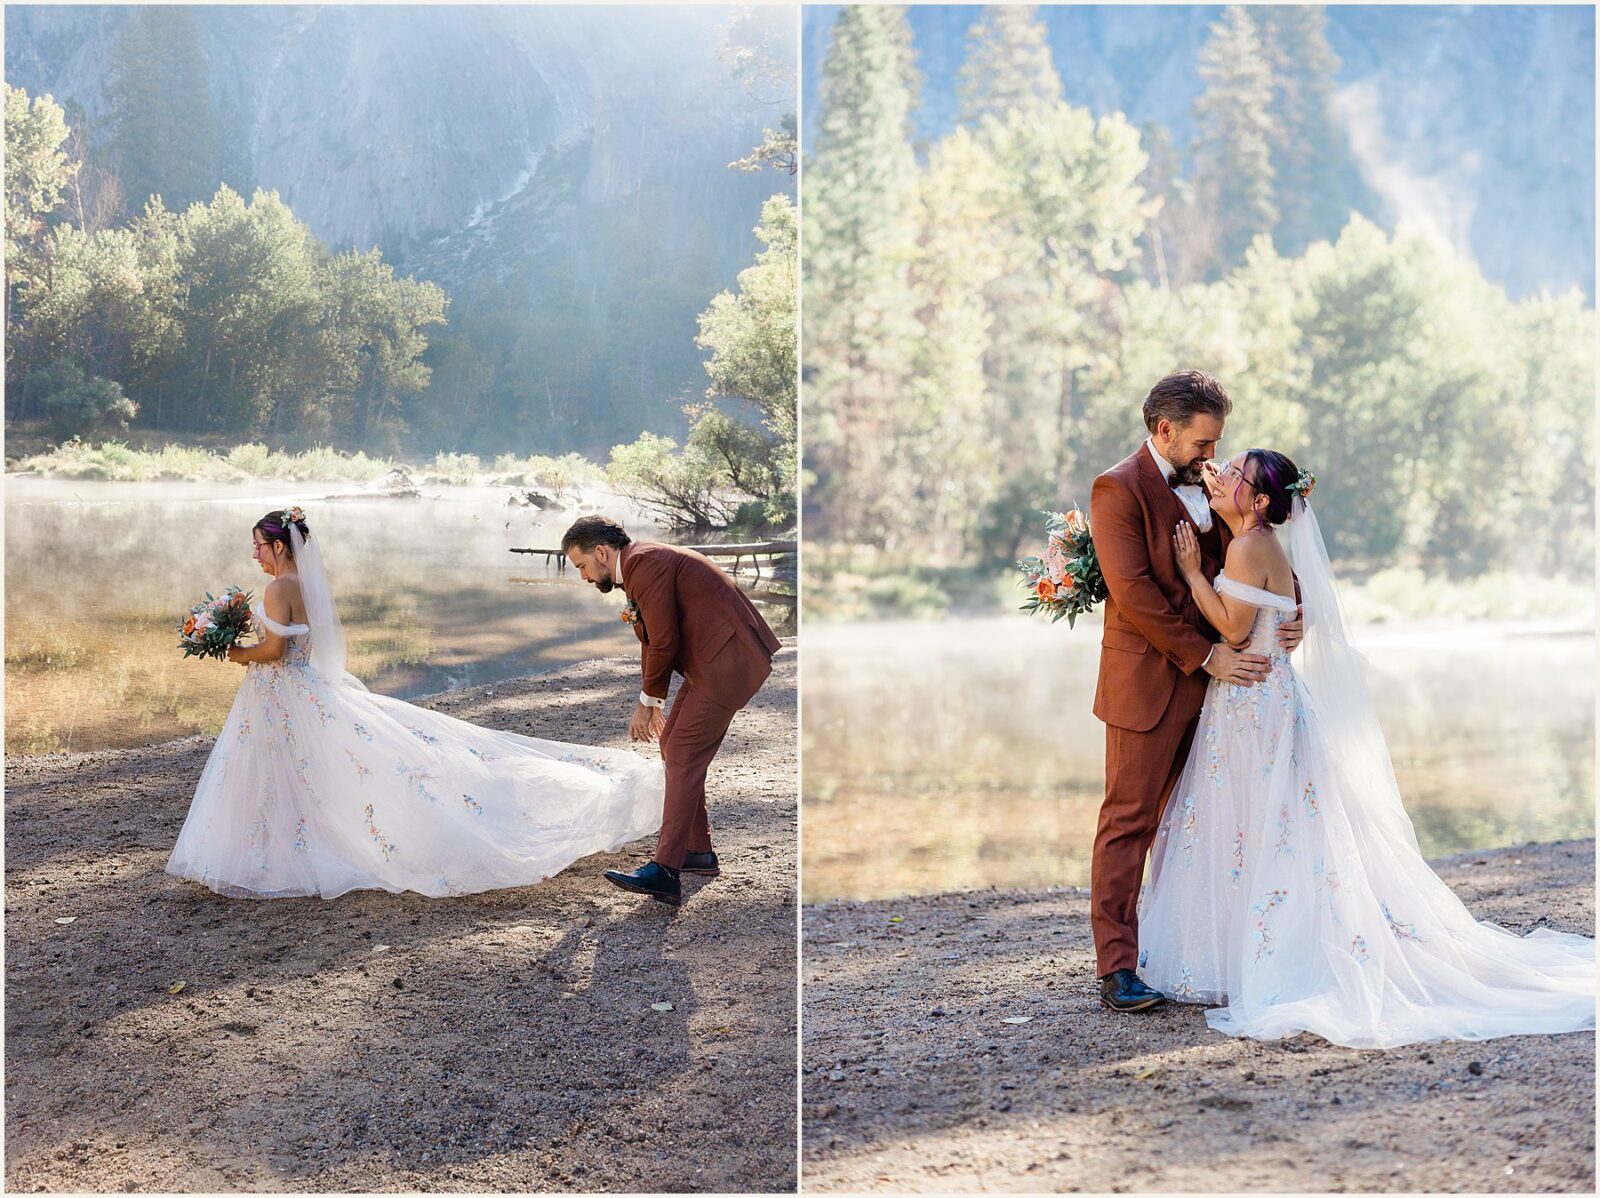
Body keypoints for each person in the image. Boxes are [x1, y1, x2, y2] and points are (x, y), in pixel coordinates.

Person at [1135, 448, 1595, 1046]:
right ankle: (1245, 947)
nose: (1219, 476)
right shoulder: (1251, 542)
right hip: (1253, 703)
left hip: (1255, 708)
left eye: (1235, 474)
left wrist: (1194, 573)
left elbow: (1231, 627)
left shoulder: (1250, 546)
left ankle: (1263, 952)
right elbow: (1272, 608)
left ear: (1262, 500)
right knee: (1265, 826)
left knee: (1262, 825)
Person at [166, 507, 663, 899]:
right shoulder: (305, 585)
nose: (255, 554)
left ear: (279, 545)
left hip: (285, 692)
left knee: (297, 767)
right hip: (300, 690)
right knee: (313, 767)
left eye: (258, 545)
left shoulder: (278, 588)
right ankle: (291, 842)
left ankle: (283, 847)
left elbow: (274, 652)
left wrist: (232, 652)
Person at [1087, 370, 1304, 1012]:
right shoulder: (1117, 489)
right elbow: (1135, 595)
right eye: (1204, 443)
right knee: (1130, 821)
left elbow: (1257, 554)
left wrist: (1294, 613)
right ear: (1165, 430)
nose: (1212, 456)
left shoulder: (1213, 488)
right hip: (1152, 684)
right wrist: (1208, 655)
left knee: (1197, 827)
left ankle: (1185, 950)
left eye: (1217, 443)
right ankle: (1117, 968)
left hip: (1226, 697)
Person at [562, 516, 782, 907]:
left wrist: (650, 700)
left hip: (727, 662)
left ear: (600, 552)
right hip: (711, 663)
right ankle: (698, 852)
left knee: (681, 752)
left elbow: (664, 640)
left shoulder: (644, 562)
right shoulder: (638, 565)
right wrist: (648, 701)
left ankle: (665, 870)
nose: (582, 576)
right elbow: (655, 638)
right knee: (672, 745)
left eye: (581, 566)